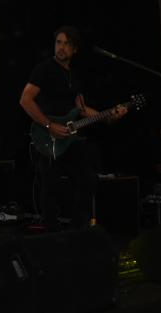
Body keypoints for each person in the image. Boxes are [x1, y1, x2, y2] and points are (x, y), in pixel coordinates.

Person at [19, 26, 126, 232]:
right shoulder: (44, 69)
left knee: (88, 179)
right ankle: (52, 232)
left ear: (75, 49)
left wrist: (109, 115)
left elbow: (82, 110)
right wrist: (49, 125)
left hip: (69, 139)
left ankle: (77, 231)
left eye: (67, 44)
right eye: (58, 42)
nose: (61, 47)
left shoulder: (74, 76)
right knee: (50, 184)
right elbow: (25, 100)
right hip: (46, 137)